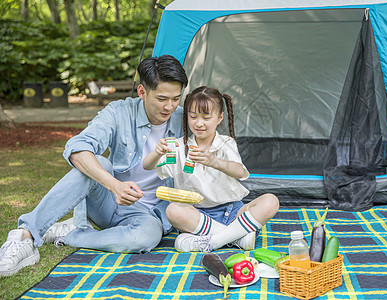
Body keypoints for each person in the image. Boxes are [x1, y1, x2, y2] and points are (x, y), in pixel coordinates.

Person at [0, 55, 188, 277]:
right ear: (141, 92)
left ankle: (72, 234)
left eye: (176, 98)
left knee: (147, 237)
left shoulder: (184, 118)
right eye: (162, 98)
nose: (170, 106)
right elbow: (76, 148)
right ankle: (25, 235)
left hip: (149, 214)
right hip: (109, 202)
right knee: (96, 161)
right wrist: (114, 185)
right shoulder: (118, 112)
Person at [143, 86, 279, 252]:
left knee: (271, 201)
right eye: (193, 117)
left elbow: (239, 171)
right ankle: (235, 238)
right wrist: (156, 153)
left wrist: (213, 161)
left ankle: (212, 241)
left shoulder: (225, 143)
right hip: (198, 216)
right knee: (173, 210)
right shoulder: (178, 146)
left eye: (206, 117)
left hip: (233, 212)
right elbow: (147, 166)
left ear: (220, 117)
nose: (199, 123)